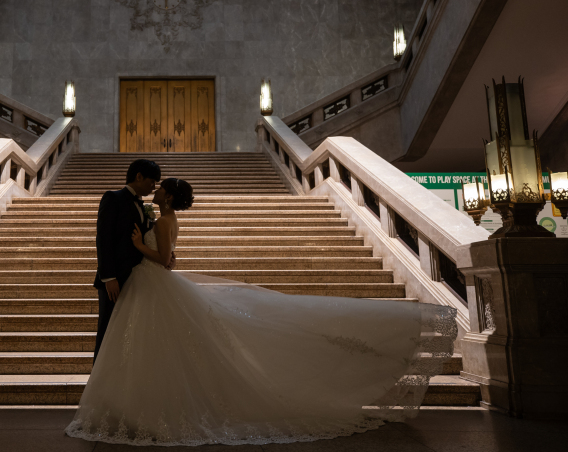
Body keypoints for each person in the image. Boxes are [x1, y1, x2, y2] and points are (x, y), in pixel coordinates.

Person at [67, 178, 458, 446]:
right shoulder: (160, 216)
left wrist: (138, 245)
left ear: (167, 198)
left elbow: (165, 259)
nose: (155, 191)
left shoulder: (166, 219)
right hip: (149, 288)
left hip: (155, 283)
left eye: (160, 189)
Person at [92, 158, 175, 361]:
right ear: (138, 176)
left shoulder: (142, 205)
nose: (153, 187)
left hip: (137, 278)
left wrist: (168, 255)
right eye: (151, 182)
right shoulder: (113, 198)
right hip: (115, 279)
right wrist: (109, 277)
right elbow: (104, 239)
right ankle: (98, 382)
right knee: (107, 329)